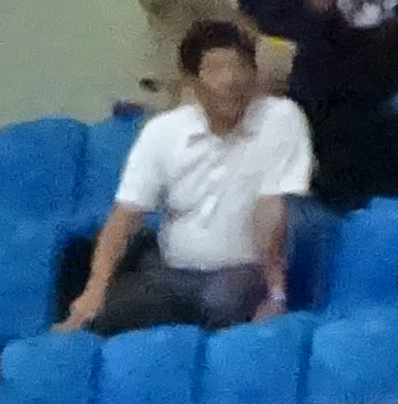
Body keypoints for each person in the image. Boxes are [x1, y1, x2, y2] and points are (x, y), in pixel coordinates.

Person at [65, 20, 313, 333]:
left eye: (239, 67)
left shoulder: (280, 118)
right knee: (107, 317)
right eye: (216, 69)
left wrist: (276, 293)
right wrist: (94, 291)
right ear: (192, 80)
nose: (231, 80)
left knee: (223, 302)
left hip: (243, 270)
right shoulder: (162, 131)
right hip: (169, 270)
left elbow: (271, 210)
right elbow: (125, 217)